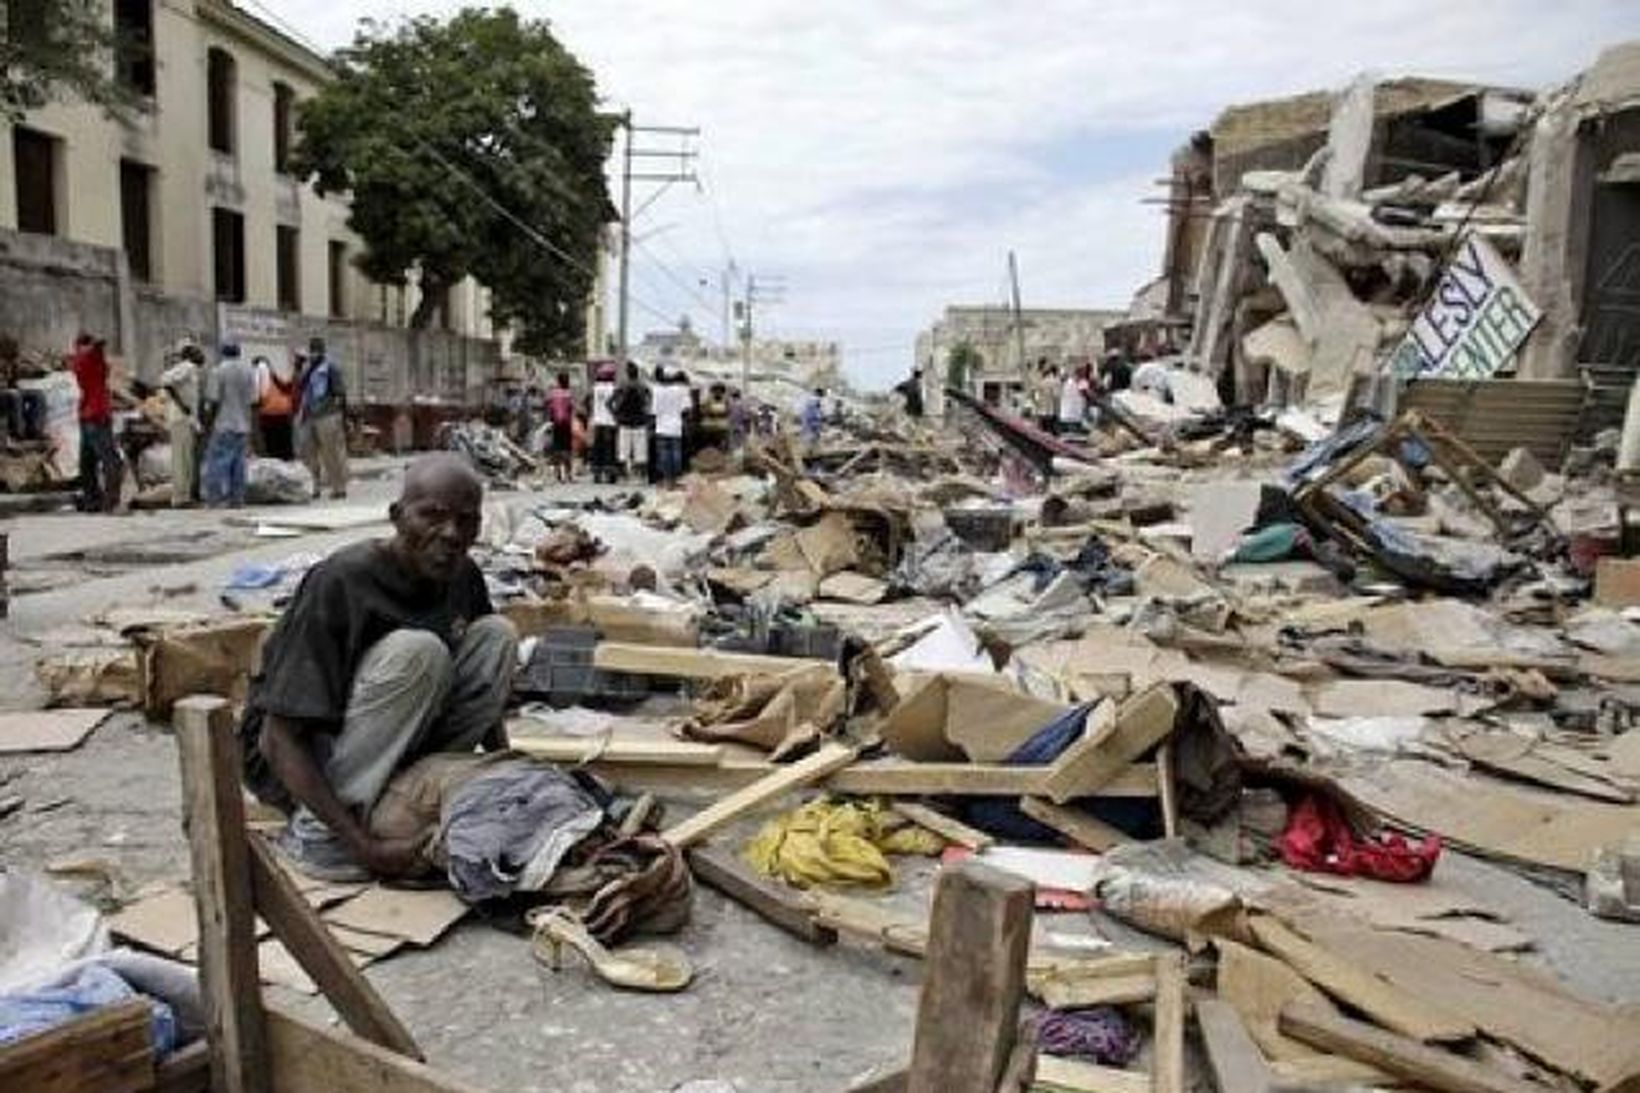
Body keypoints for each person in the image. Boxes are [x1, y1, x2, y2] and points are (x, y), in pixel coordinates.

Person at [239, 454, 517, 881]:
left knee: (497, 634)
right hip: (299, 759)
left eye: (467, 521)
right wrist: (364, 848)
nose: (451, 534)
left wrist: (504, 764)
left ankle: (397, 796)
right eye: (432, 516)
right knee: (420, 652)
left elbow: (484, 686)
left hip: (390, 742)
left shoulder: (462, 575)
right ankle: (318, 837)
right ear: (397, 517)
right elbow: (278, 738)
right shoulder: (342, 581)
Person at [69, 333, 122, 512]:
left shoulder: (78, 361)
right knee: (111, 460)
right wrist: (97, 343)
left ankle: (92, 501)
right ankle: (111, 502)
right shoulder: (89, 357)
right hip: (98, 416)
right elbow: (99, 345)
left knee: (87, 463)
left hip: (86, 416)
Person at [202, 342, 257, 508]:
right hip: (243, 425)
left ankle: (215, 499)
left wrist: (208, 424)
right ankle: (237, 500)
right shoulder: (248, 372)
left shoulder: (218, 371)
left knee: (218, 463)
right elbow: (253, 401)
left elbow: (213, 400)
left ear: (222, 352)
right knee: (238, 464)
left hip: (224, 423)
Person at [296, 336, 348, 499]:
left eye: (316, 351)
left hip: (327, 415)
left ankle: (339, 487)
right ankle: (314, 487)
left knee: (331, 453)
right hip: (308, 415)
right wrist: (298, 367)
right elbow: (299, 386)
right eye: (312, 350)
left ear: (322, 351)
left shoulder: (331, 368)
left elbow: (340, 394)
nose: (313, 354)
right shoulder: (307, 369)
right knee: (308, 453)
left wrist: (340, 417)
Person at [160, 339, 205, 507]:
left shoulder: (192, 369)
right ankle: (180, 498)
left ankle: (185, 496)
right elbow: (165, 381)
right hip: (180, 418)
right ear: (188, 353)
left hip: (186, 419)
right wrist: (181, 404)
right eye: (195, 351)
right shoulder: (187, 367)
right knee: (181, 459)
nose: (200, 355)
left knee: (186, 459)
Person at [610, 361, 649, 482]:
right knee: (641, 452)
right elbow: (649, 402)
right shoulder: (643, 386)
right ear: (637, 373)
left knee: (623, 452)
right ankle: (641, 477)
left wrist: (615, 414)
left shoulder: (622, 386)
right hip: (640, 422)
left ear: (627, 373)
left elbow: (609, 403)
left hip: (624, 422)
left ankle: (623, 476)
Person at [253, 354, 297, 460]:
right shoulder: (276, 377)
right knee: (285, 450)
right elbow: (288, 388)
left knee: (272, 449)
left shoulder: (259, 379)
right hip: (284, 416)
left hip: (269, 417)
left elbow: (256, 399)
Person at [651, 368, 689, 486]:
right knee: (676, 453)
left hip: (661, 427)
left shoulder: (657, 391)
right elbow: (686, 409)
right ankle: (675, 478)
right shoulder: (681, 390)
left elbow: (654, 411)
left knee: (663, 453)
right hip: (676, 427)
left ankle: (667, 478)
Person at [588, 364, 618, 483]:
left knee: (598, 447)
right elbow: (615, 405)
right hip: (610, 422)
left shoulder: (594, 388)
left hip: (597, 422)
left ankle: (597, 473)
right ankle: (610, 474)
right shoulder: (614, 389)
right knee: (609, 448)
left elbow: (589, 404)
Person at [545, 371, 575, 484]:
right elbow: (571, 408)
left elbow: (549, 407)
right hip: (566, 424)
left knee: (556, 449)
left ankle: (557, 475)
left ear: (558, 381)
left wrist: (550, 420)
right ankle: (569, 475)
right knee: (567, 449)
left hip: (556, 424)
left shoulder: (553, 394)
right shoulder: (569, 394)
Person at [1058, 364, 1089, 434]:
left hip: (1065, 415)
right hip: (1075, 416)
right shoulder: (1082, 382)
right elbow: (1086, 393)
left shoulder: (1068, 382)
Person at [1033, 363, 1060, 434]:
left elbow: (1036, 396)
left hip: (1041, 410)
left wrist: (1037, 403)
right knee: (1050, 429)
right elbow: (1055, 395)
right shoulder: (1053, 382)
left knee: (1042, 429)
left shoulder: (1040, 382)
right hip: (1050, 410)